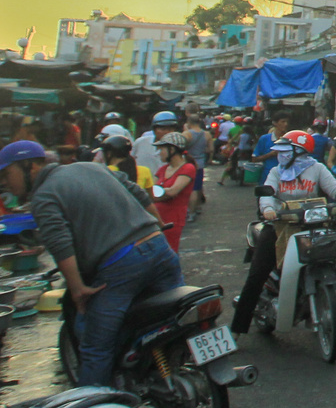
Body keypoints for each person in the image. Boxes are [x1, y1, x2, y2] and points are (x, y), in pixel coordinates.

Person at [0, 139, 180, 387]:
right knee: (171, 323)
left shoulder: (44, 196)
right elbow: (136, 191)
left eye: (6, 173)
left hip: (123, 266)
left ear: (29, 166)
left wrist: (77, 289)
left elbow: (60, 243)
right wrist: (158, 226)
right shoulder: (91, 167)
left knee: (96, 348)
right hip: (161, 252)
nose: (4, 182)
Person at [231, 129, 336, 334]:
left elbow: (334, 188)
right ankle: (238, 327)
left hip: (311, 225)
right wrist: (269, 209)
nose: (280, 155)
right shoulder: (276, 172)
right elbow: (267, 195)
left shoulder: (317, 168)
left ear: (298, 151)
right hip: (279, 226)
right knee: (257, 275)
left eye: (285, 150)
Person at [151, 132, 196, 253]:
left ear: (172, 150)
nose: (159, 153)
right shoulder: (162, 169)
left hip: (173, 220)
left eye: (162, 149)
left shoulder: (188, 168)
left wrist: (159, 193)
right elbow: (151, 191)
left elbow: (173, 191)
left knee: (169, 252)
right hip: (156, 218)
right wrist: (162, 194)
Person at [182, 110, 210, 222]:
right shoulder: (206, 134)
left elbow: (181, 147)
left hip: (188, 163)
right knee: (197, 188)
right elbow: (210, 149)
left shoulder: (187, 134)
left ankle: (190, 213)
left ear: (189, 122)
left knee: (191, 189)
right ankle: (197, 208)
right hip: (200, 163)